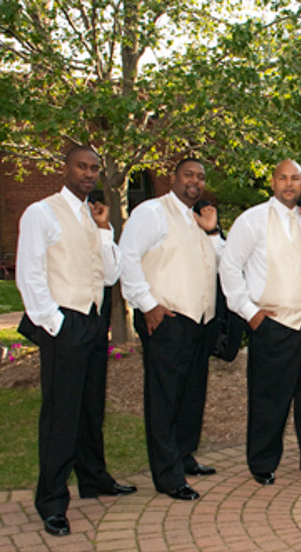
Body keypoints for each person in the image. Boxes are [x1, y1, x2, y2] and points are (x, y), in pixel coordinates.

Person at [15, 144, 136, 537]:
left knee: (90, 407)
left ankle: (93, 478)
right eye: (81, 167)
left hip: (92, 319)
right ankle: (51, 500)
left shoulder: (92, 215)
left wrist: (105, 231)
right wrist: (53, 322)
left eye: (94, 169)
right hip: (63, 322)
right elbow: (29, 273)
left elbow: (110, 275)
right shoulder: (41, 212)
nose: (88, 174)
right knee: (61, 415)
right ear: (65, 168)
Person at [218, 158, 301, 485]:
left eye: (296, 178)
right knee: (269, 397)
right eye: (282, 178)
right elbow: (230, 267)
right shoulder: (253, 220)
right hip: (274, 323)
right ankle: (262, 462)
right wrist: (249, 312)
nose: (289, 184)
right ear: (272, 183)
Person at [118, 156, 225, 500]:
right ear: (173, 177)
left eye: (200, 176)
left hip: (199, 321)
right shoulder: (151, 212)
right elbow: (128, 258)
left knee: (192, 394)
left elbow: (221, 263)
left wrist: (212, 231)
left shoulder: (200, 218)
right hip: (167, 319)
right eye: (188, 174)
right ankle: (168, 475)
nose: (195, 181)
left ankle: (183, 454)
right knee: (164, 399)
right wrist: (147, 304)